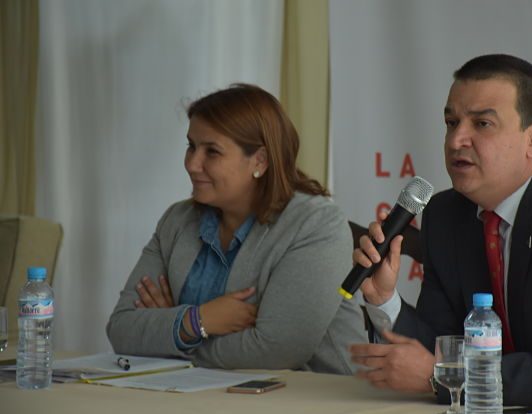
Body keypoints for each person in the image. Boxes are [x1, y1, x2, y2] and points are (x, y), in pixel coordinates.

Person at [350, 54, 532, 404]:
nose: (455, 140)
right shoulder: (446, 214)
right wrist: (384, 299)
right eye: (451, 122)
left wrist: (443, 374)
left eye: (482, 124)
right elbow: (436, 346)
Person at [107, 83, 367, 374]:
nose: (193, 164)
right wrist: (200, 320)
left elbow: (276, 351)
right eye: (191, 146)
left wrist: (173, 335)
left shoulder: (316, 225)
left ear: (260, 160)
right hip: (203, 400)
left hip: (320, 402)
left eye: (212, 152)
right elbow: (121, 330)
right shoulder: (177, 220)